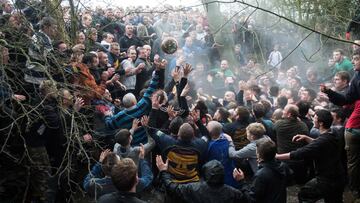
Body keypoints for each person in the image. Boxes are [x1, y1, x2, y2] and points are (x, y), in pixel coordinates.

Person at [276, 109, 345, 203]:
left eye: (315, 118)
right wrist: (306, 138)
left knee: (304, 195)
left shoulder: (322, 141)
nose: (313, 119)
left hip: (327, 179)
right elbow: (321, 144)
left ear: (320, 123)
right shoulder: (333, 133)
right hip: (339, 176)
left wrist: (277, 156)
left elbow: (299, 153)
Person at [320, 49, 360, 200]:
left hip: (353, 125)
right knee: (353, 162)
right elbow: (345, 100)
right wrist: (329, 92)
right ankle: (355, 189)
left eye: (356, 59)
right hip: (354, 128)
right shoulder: (356, 78)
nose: (353, 62)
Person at [156, 157, 248, 203]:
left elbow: (172, 187)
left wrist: (163, 171)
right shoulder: (234, 193)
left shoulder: (193, 188)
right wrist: (241, 181)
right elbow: (248, 199)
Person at [233, 138, 292, 203]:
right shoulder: (284, 166)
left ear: (258, 154)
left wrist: (242, 181)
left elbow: (251, 199)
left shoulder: (261, 175)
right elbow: (289, 181)